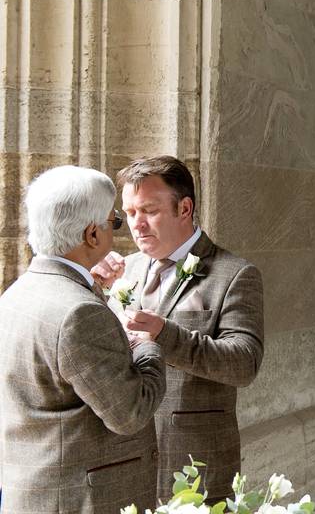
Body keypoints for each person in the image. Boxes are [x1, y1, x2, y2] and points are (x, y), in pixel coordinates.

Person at [92, 156, 264, 501]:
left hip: (196, 464)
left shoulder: (235, 274)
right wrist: (93, 290)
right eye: (130, 213)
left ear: (184, 209)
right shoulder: (123, 272)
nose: (136, 224)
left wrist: (166, 335)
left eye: (149, 210)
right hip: (123, 460)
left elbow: (245, 363)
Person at [0, 165, 165, 512]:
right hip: (79, 500)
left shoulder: (15, 295)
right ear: (92, 235)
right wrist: (147, 343)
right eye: (114, 221)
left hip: (33, 493)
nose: (118, 229)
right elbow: (130, 414)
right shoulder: (79, 313)